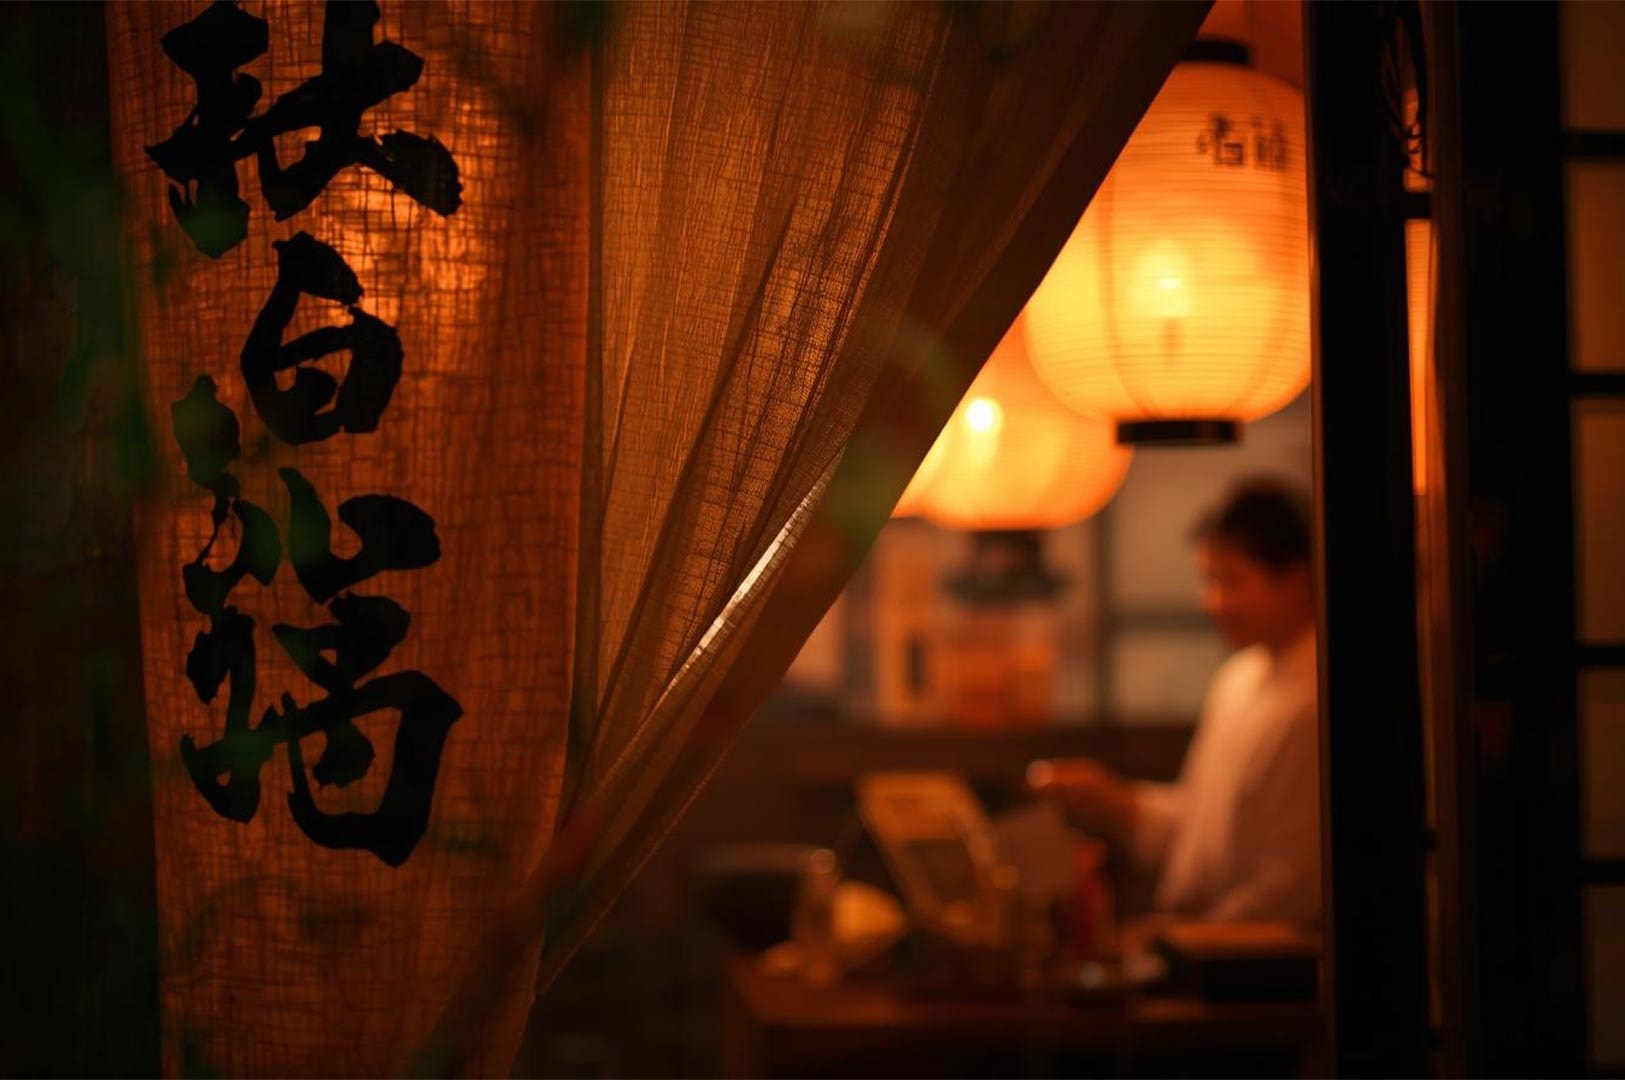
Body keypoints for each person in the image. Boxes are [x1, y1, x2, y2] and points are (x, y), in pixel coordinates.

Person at [1030, 478, 1321, 925]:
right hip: (1204, 942)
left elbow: (1296, 885)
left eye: (1232, 581)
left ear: (1296, 579)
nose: (1215, 602)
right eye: (1210, 581)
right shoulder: (1239, 679)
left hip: (1262, 963)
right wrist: (1114, 801)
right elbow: (1206, 827)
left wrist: (1193, 941)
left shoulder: (1317, 699)